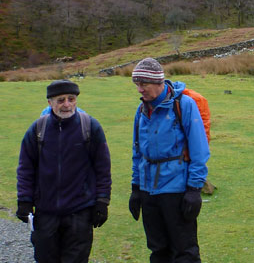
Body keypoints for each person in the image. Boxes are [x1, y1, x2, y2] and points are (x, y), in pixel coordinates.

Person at [16, 79, 112, 263]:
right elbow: (25, 168)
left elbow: (103, 168)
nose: (67, 104)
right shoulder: (37, 129)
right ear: (50, 102)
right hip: (45, 213)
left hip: (80, 212)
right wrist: (24, 201)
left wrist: (102, 201)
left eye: (71, 99)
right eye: (60, 100)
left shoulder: (90, 127)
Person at [128, 58, 210, 263]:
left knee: (184, 252)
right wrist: (136, 188)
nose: (139, 90)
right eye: (137, 84)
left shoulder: (184, 105)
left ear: (158, 82)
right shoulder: (141, 110)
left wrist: (194, 190)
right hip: (148, 191)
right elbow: (137, 151)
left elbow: (199, 149)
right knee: (158, 250)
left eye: (143, 84)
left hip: (176, 190)